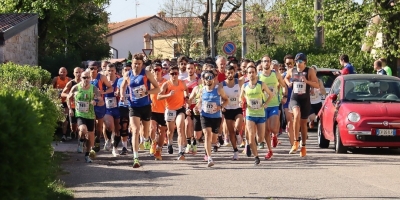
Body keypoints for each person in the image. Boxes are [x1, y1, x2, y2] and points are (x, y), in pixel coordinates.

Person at [120, 54, 160, 168]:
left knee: (146, 132)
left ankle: (147, 140)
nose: (136, 65)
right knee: (135, 130)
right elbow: (122, 86)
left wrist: (147, 92)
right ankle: (136, 157)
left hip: (146, 106)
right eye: (135, 63)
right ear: (131, 63)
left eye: (139, 64)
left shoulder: (147, 74)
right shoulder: (128, 74)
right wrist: (122, 95)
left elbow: (158, 88)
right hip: (133, 106)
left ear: (142, 65)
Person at [284, 53, 320, 157]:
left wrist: (307, 81)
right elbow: (286, 78)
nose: (298, 64)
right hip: (295, 99)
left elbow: (317, 84)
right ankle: (295, 141)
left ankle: (303, 146)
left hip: (305, 100)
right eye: (296, 62)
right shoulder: (292, 71)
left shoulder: (309, 71)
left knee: (304, 124)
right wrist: (288, 83)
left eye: (300, 62)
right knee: (296, 115)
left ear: (305, 62)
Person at [67, 71, 104, 163]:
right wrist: (70, 109)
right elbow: (68, 97)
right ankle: (81, 140)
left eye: (88, 78)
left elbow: (101, 101)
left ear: (90, 79)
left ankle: (87, 155)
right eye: (84, 78)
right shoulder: (76, 87)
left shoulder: (94, 88)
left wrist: (96, 102)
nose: (86, 79)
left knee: (90, 137)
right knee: (83, 129)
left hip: (90, 115)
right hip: (80, 114)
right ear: (80, 78)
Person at [240, 65, 273, 165]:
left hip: (260, 113)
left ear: (256, 73)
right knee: (250, 136)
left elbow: (271, 94)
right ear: (247, 74)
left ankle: (254, 141)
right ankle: (256, 157)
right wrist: (241, 103)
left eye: (253, 72)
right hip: (250, 114)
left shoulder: (261, 84)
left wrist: (266, 103)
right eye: (249, 72)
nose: (251, 74)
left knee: (260, 138)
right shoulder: (244, 86)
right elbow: (240, 98)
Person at [197, 70, 229, 167]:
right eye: (207, 78)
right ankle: (209, 158)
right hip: (205, 115)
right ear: (204, 80)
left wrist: (220, 107)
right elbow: (200, 101)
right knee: (207, 134)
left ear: (214, 79)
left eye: (211, 77)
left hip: (216, 117)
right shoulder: (202, 90)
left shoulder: (219, 89)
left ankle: (214, 143)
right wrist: (197, 107)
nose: (209, 80)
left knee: (213, 139)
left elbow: (226, 100)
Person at [258, 55, 287, 160]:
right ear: (261, 63)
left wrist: (284, 96)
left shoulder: (276, 74)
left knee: (273, 128)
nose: (266, 63)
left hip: (274, 104)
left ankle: (274, 135)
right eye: (264, 61)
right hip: (263, 105)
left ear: (270, 63)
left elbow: (284, 85)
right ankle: (269, 151)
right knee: (266, 130)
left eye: (268, 61)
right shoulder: (258, 76)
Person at [158, 66, 189, 160]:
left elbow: (186, 90)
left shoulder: (182, 83)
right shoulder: (166, 84)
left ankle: (180, 152)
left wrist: (186, 97)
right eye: (172, 74)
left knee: (180, 128)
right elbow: (159, 97)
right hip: (170, 109)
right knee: (170, 131)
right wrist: (168, 95)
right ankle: (170, 143)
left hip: (180, 109)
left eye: (176, 73)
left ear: (178, 74)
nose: (174, 75)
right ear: (169, 74)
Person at [88, 61, 114, 152]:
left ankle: (98, 139)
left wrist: (103, 92)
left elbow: (111, 88)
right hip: (89, 105)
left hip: (100, 105)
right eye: (91, 68)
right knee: (92, 125)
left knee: (99, 126)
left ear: (97, 69)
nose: (93, 70)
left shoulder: (101, 77)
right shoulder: (86, 77)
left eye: (94, 69)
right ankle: (91, 145)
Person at [222, 66, 244, 160]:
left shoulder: (238, 82)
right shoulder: (221, 84)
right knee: (231, 132)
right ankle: (235, 151)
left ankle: (238, 133)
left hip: (237, 108)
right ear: (225, 73)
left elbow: (247, 75)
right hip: (228, 109)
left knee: (238, 126)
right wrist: (222, 105)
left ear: (234, 72)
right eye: (228, 73)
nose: (230, 75)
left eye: (231, 72)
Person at [149, 61, 168, 160]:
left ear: (162, 71)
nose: (157, 71)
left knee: (162, 131)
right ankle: (153, 142)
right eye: (155, 70)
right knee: (152, 128)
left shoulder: (166, 82)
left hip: (163, 110)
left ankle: (159, 150)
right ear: (152, 71)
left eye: (158, 69)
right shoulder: (149, 82)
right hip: (152, 109)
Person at [103, 63, 121, 157]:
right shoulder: (103, 81)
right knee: (110, 126)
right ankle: (108, 139)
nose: (110, 72)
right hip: (107, 108)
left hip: (117, 107)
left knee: (118, 130)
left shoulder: (118, 80)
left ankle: (115, 148)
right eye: (108, 70)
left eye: (112, 70)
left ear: (115, 71)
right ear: (106, 71)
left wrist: (119, 93)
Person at [61, 67, 82, 140]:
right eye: (76, 72)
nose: (78, 74)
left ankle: (81, 141)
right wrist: (69, 95)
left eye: (79, 72)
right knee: (73, 125)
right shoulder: (71, 83)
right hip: (72, 106)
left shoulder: (85, 82)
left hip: (82, 107)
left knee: (81, 125)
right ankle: (73, 131)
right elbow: (62, 93)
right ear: (73, 73)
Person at [184, 62, 200, 154]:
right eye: (188, 68)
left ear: (194, 69)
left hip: (197, 107)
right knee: (187, 124)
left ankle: (194, 143)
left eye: (191, 68)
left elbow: (201, 94)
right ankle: (188, 144)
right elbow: (184, 96)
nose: (190, 70)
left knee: (195, 128)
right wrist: (187, 108)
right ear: (186, 70)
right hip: (188, 106)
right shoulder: (184, 81)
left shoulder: (199, 80)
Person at [52, 67, 72, 141]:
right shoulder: (56, 79)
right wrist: (58, 91)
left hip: (66, 102)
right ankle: (54, 134)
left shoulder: (69, 80)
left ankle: (64, 135)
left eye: (64, 72)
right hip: (57, 102)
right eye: (61, 72)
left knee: (64, 119)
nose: (62, 74)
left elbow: (73, 89)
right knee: (57, 118)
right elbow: (51, 89)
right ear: (58, 72)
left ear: (66, 73)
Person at [116, 63, 132, 155]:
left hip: (133, 105)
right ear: (122, 72)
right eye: (125, 70)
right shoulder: (120, 80)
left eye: (129, 70)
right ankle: (124, 147)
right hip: (123, 105)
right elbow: (118, 90)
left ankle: (134, 145)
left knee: (133, 127)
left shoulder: (134, 79)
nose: (127, 71)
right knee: (124, 126)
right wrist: (118, 93)